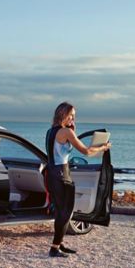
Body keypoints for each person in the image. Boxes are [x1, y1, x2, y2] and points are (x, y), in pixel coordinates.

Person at [46, 102, 111, 258]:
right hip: (62, 173)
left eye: (74, 116)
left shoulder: (51, 131)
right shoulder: (66, 132)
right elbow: (87, 151)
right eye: (71, 115)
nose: (73, 118)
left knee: (61, 211)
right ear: (62, 114)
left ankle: (58, 244)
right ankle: (54, 248)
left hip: (53, 173)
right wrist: (103, 147)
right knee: (65, 212)